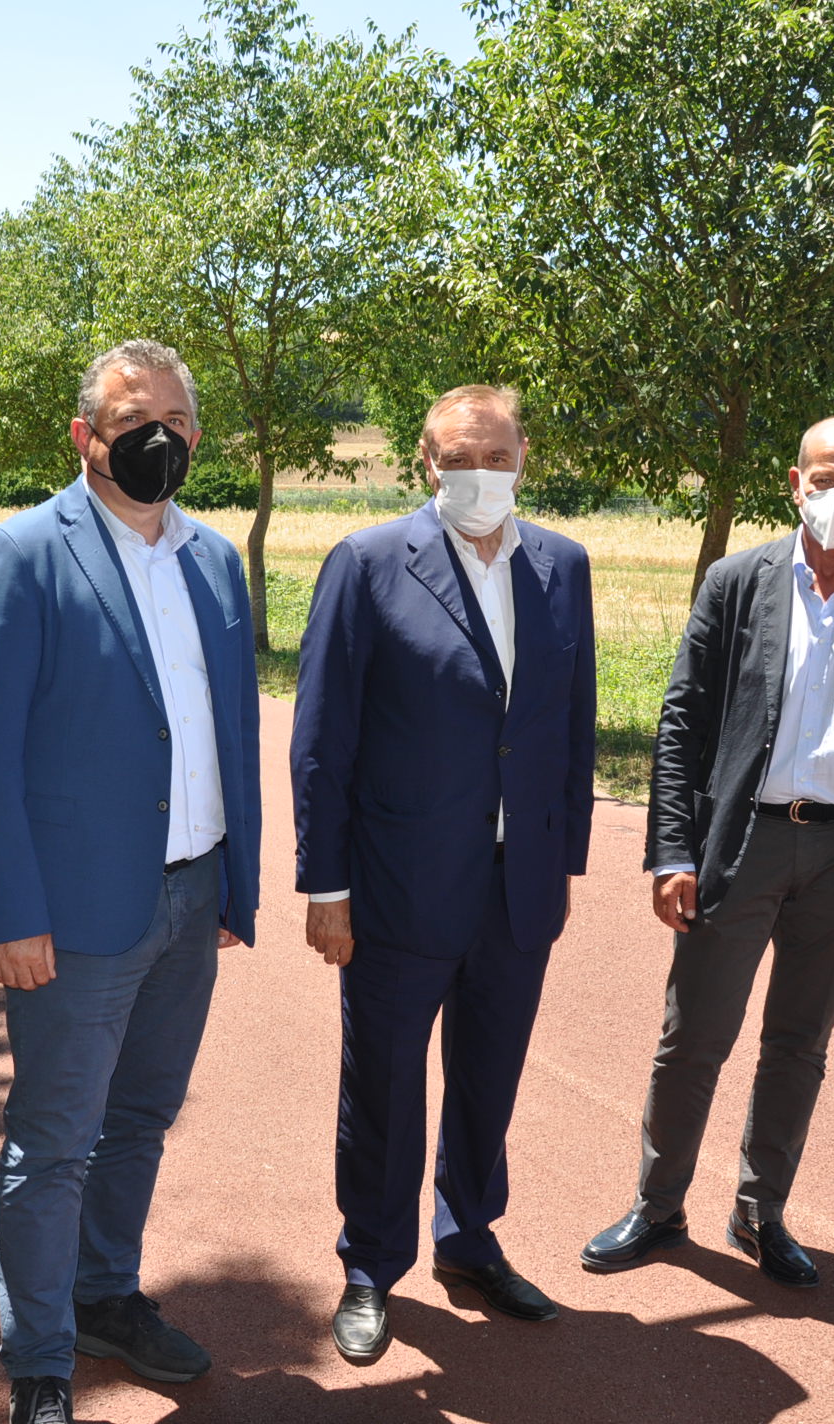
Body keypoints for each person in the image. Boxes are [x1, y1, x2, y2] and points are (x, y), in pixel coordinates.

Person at [0, 339, 260, 1424]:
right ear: (85, 437)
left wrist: (234, 884)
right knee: (52, 1141)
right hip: (72, 911)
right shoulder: (21, 554)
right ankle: (39, 1357)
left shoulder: (215, 560)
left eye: (172, 419)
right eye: (131, 421)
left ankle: (105, 1295)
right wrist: (11, 910)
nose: (154, 437)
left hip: (191, 893)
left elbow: (228, 729)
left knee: (139, 1120)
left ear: (197, 435)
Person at [580, 414, 834, 1289]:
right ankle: (658, 1206)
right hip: (740, 843)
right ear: (794, 484)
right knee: (694, 1037)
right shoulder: (737, 582)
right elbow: (682, 722)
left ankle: (760, 1211)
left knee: (799, 1046)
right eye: (824, 480)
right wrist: (672, 850)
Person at [290, 384, 596, 1362]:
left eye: (496, 456)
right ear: (426, 462)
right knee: (383, 1087)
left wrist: (563, 860)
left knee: (488, 1078)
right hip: (398, 885)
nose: (480, 474)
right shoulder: (368, 563)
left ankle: (469, 1239)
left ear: (523, 455)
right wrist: (325, 886)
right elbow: (322, 740)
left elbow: (573, 725)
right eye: (459, 458)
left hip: (518, 887)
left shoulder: (564, 565)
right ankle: (372, 1266)